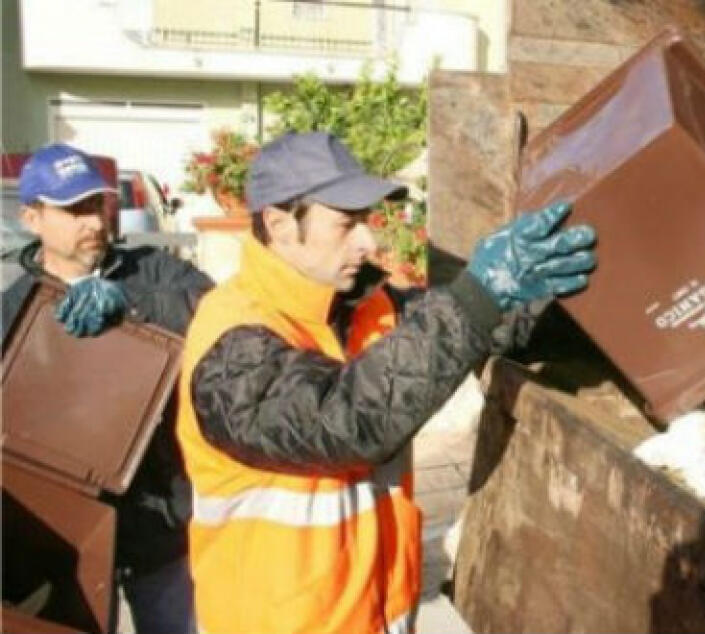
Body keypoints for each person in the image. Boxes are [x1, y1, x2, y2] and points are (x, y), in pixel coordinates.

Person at [176, 131, 596, 633]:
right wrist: (480, 294)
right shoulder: (230, 344)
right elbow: (344, 421)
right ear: (279, 223)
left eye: (366, 221)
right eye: (345, 222)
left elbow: (479, 328)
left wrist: (556, 298)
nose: (367, 241)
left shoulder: (364, 306)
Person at [2, 143, 213, 633]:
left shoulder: (155, 271)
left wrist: (132, 309)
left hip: (159, 516)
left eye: (97, 205)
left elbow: (216, 313)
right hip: (64, 531)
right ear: (33, 218)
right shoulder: (15, 308)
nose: (94, 222)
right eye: (74, 210)